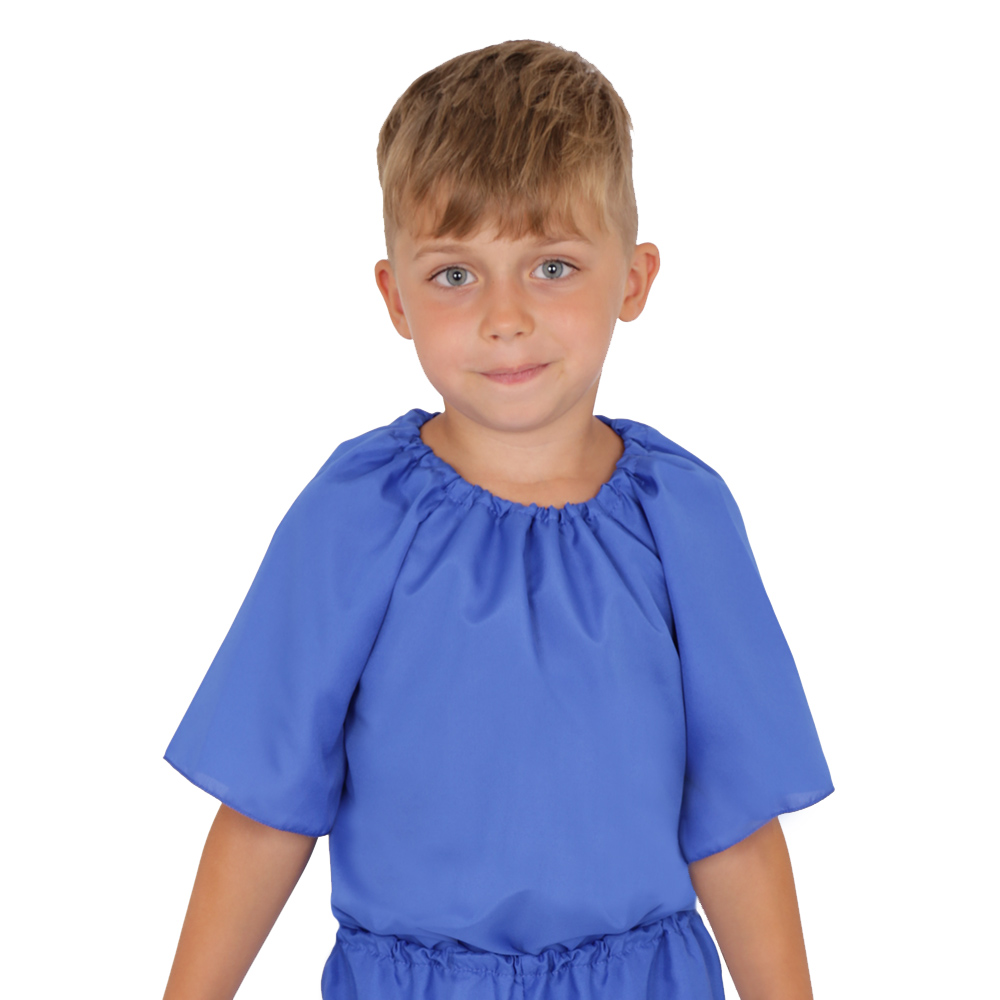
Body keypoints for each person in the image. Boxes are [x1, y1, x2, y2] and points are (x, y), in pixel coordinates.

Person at [161, 39, 834, 1000]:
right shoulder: (357, 514)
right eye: (455, 275)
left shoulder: (682, 519)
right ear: (395, 296)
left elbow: (733, 822)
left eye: (552, 265)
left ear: (634, 279)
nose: (505, 317)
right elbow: (269, 807)